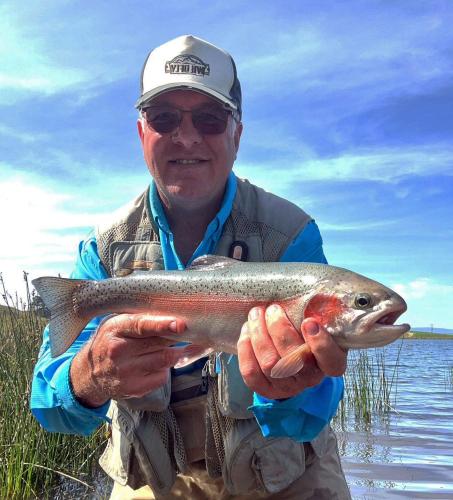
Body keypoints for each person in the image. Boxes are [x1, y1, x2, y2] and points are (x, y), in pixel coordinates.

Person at [31, 35, 351, 499]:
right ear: (142, 133)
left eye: (210, 118)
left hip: (285, 478)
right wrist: (92, 375)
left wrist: (290, 389)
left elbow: (309, 418)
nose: (186, 136)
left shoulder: (292, 235)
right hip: (155, 480)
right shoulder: (103, 248)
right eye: (164, 118)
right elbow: (52, 407)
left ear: (237, 134)